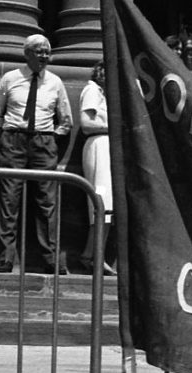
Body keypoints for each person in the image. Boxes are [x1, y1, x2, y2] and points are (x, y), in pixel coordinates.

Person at [0, 33, 73, 274]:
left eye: (47, 51)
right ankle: (5, 258)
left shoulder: (55, 82)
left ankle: (50, 259)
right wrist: (10, 134)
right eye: (38, 51)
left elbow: (66, 119)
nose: (44, 56)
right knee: (9, 199)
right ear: (27, 54)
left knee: (47, 201)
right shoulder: (10, 78)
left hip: (43, 142)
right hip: (13, 139)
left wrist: (48, 139)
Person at [78, 60, 116, 276]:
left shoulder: (107, 94)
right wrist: (115, 127)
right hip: (99, 143)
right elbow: (86, 123)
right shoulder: (93, 91)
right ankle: (93, 256)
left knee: (108, 205)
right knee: (102, 202)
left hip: (109, 146)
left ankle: (92, 254)